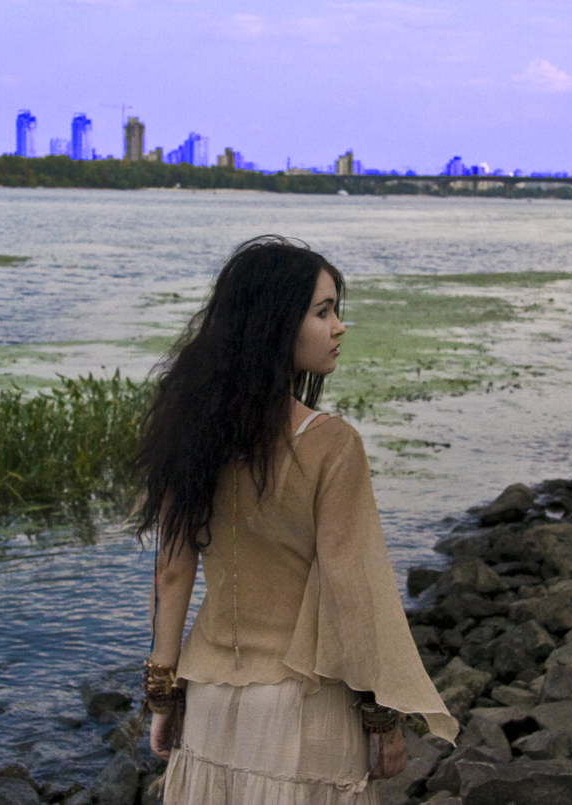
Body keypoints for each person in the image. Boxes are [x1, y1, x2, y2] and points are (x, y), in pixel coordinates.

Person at [134, 236, 457, 805]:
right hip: (305, 707)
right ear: (276, 325)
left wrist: (162, 698)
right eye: (322, 312)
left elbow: (172, 573)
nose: (339, 327)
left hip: (208, 699)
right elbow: (351, 591)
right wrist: (383, 719)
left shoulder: (189, 432)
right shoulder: (332, 443)